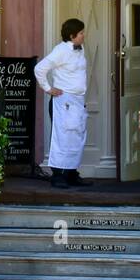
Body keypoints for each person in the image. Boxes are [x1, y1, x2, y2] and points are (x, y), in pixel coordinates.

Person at [34, 18, 91, 189]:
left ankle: (71, 173)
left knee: (76, 137)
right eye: (81, 33)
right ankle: (58, 175)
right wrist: (48, 88)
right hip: (64, 101)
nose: (83, 35)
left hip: (78, 100)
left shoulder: (80, 49)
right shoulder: (60, 51)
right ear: (72, 36)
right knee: (63, 137)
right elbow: (40, 68)